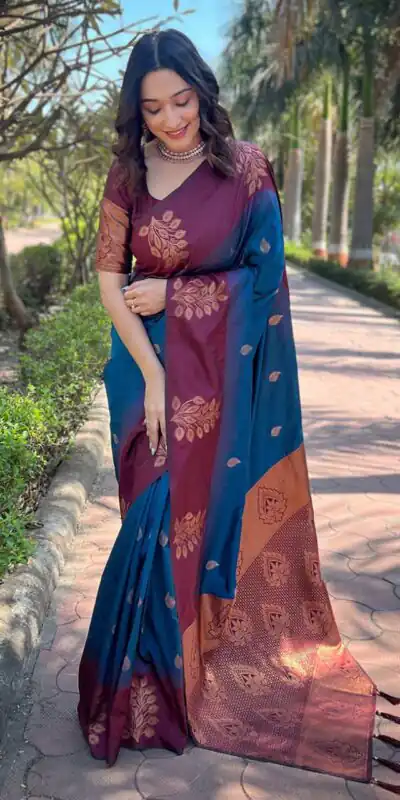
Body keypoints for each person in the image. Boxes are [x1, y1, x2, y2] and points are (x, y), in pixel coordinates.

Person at [77, 28, 397, 794]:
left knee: (187, 529)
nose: (171, 120)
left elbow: (264, 280)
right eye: (153, 108)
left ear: (203, 91)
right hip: (146, 374)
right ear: (136, 112)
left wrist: (179, 297)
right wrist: (153, 375)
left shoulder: (246, 169)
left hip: (218, 374)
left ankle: (171, 690)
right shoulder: (127, 173)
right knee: (151, 521)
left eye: (181, 101)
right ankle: (143, 689)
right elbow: (109, 283)